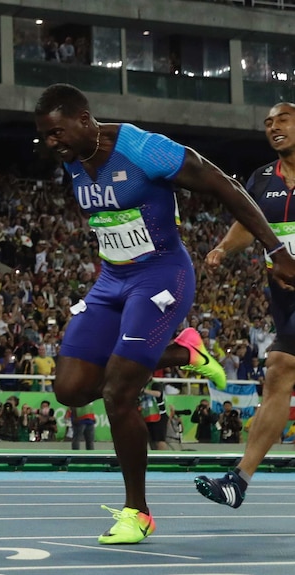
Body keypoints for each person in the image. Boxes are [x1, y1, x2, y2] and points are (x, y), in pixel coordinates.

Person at [33, 83, 295, 544]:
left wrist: (275, 249)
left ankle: (138, 512)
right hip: (111, 280)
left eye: (56, 133)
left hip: (162, 277)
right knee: (71, 390)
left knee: (118, 392)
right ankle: (184, 353)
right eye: (45, 137)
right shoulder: (72, 160)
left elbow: (225, 187)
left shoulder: (142, 148)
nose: (51, 144)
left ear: (84, 119)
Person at [195, 102, 295, 509]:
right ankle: (239, 481)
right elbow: (247, 225)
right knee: (280, 378)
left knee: (279, 368)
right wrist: (223, 247)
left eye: (283, 119)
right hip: (283, 295)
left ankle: (239, 479)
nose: (273, 127)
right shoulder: (260, 178)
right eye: (268, 123)